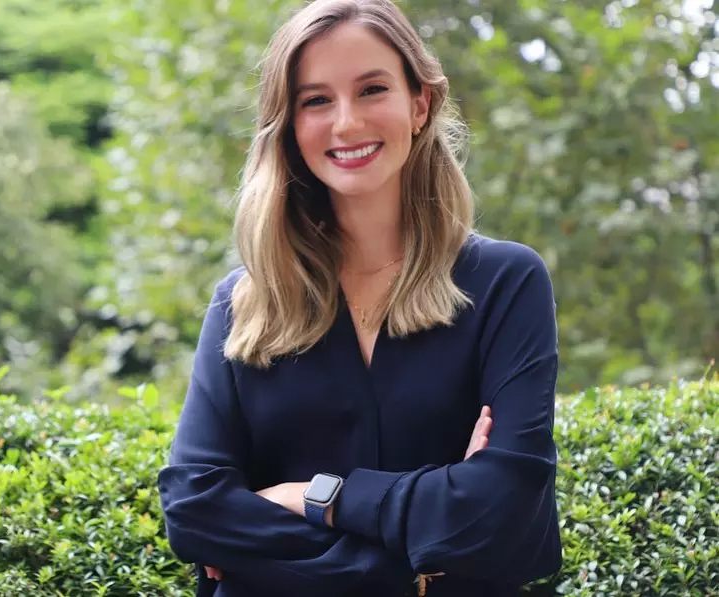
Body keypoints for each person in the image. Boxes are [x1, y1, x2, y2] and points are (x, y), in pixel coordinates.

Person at [156, 0, 563, 595]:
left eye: (372, 89)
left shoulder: (506, 283)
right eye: (316, 100)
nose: (346, 123)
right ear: (289, 126)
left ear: (420, 104)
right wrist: (414, 563)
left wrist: (309, 497)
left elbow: (504, 514)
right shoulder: (243, 302)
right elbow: (195, 511)